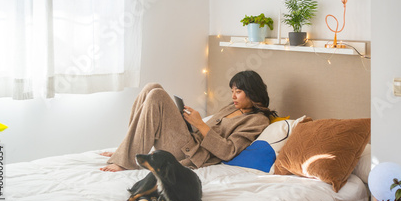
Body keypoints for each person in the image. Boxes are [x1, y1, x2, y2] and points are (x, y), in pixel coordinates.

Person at [100, 70, 276, 172]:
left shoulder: (257, 121)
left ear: (252, 92)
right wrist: (190, 120)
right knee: (151, 87)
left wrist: (199, 124)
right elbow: (207, 128)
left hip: (192, 153)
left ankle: (127, 160)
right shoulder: (234, 107)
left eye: (238, 91)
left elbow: (228, 151)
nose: (233, 96)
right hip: (190, 139)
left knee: (157, 95)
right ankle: (127, 149)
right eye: (232, 91)